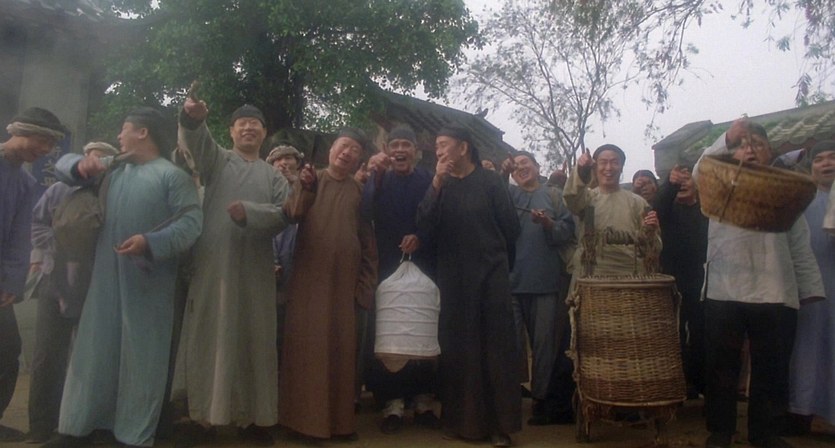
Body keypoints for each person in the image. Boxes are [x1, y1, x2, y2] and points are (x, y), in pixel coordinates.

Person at [44, 107, 202, 448]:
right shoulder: (112, 169)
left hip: (148, 281)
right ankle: (78, 428)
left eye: (124, 129)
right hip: (103, 278)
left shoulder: (172, 176)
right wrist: (80, 165)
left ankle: (133, 434)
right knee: (93, 352)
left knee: (142, 359)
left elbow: (192, 223)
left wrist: (150, 242)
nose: (119, 136)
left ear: (143, 132)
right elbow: (61, 167)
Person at [693, 119, 824, 448]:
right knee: (722, 366)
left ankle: (765, 433)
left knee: (772, 366)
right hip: (725, 287)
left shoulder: (785, 192)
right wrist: (728, 136)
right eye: (742, 146)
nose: (750, 151)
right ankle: (721, 430)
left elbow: (799, 244)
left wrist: (810, 288)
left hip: (776, 288)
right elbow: (698, 170)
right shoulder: (718, 183)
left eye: (758, 146)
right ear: (732, 152)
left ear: (770, 153)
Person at [172, 100, 291, 446]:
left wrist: (250, 213)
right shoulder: (218, 159)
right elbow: (197, 144)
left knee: (255, 340)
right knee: (211, 336)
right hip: (214, 266)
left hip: (256, 270)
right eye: (242, 123)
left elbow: (285, 213)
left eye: (255, 123)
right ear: (231, 131)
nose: (249, 128)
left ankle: (253, 418)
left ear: (264, 133)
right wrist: (192, 121)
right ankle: (203, 417)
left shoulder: (274, 176)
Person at [416, 125, 521, 447]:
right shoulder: (441, 185)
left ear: (463, 148)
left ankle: (499, 427)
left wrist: (497, 265)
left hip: (491, 277)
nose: (439, 151)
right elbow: (423, 227)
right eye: (437, 146)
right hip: (453, 279)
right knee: (459, 349)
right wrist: (436, 183)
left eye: (443, 145)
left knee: (495, 350)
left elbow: (511, 229)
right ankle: (460, 422)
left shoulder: (490, 182)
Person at [278, 128, 378, 441]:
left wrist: (366, 285)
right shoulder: (312, 179)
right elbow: (293, 212)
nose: (347, 153)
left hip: (345, 285)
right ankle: (302, 424)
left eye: (355, 150)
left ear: (359, 159)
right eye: (343, 146)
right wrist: (305, 186)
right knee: (307, 351)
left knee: (341, 352)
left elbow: (368, 241)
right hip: (309, 282)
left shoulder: (359, 190)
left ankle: (340, 424)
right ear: (331, 150)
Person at [26, 142, 119, 443]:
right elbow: (37, 223)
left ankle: (83, 423)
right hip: (55, 282)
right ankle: (41, 426)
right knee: (46, 356)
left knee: (90, 358)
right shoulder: (58, 190)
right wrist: (58, 244)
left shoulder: (112, 195)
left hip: (96, 286)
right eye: (90, 156)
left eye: (102, 158)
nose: (95, 163)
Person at [359, 125, 438, 434]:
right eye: (395, 145)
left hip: (424, 265)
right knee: (391, 334)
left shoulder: (429, 180)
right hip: (388, 265)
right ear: (387, 150)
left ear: (416, 151)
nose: (401, 150)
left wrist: (421, 236)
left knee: (422, 329)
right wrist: (374, 175)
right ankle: (392, 404)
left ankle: (423, 401)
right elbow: (365, 210)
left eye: (406, 144)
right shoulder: (380, 178)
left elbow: (439, 217)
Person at [0, 107, 67, 442]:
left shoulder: (26, 183)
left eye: (50, 145)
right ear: (19, 130)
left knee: (7, 350)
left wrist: (11, 282)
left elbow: (18, 237)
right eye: (41, 140)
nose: (44, 150)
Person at [501, 151, 576, 426]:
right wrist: (501, 174)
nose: (521, 168)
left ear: (537, 166)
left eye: (526, 163)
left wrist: (548, 223)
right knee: (510, 344)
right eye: (516, 166)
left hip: (545, 283)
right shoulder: (508, 196)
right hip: (510, 282)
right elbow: (491, 213)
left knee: (544, 345)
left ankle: (541, 400)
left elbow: (567, 231)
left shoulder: (554, 196)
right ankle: (509, 397)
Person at [787, 140, 835, 433]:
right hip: (811, 287)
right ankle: (802, 411)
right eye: (820, 159)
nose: (827, 163)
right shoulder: (801, 203)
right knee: (807, 347)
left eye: (832, 158)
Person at [563, 145, 660, 278]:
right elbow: (570, 198)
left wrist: (651, 230)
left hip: (631, 277)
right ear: (595, 168)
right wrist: (581, 169)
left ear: (621, 168)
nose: (608, 168)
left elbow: (654, 248)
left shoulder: (638, 203)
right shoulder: (587, 199)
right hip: (590, 276)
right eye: (603, 162)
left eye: (614, 162)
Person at [654, 164, 708, 399]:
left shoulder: (708, 212)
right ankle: (676, 384)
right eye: (680, 178)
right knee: (673, 335)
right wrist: (670, 184)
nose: (684, 182)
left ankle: (700, 384)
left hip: (703, 282)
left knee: (701, 334)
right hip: (672, 282)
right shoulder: (668, 211)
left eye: (688, 177)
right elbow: (657, 206)